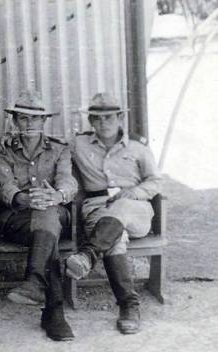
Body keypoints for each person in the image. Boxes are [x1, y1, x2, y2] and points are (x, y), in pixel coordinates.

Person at [64, 92, 163, 334]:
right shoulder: (78, 144)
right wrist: (8, 141)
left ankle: (88, 255)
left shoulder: (138, 148)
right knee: (114, 239)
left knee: (122, 206)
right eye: (97, 118)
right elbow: (51, 148)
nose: (103, 123)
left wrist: (134, 193)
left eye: (109, 117)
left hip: (135, 210)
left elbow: (156, 182)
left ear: (120, 118)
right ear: (91, 121)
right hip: (97, 209)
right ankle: (129, 306)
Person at [0, 90, 78, 341]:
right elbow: (5, 184)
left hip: (55, 211)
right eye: (23, 118)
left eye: (35, 118)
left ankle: (35, 282)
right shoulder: (3, 150)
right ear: (14, 121)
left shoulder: (59, 149)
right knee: (47, 232)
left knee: (47, 214)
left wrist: (57, 196)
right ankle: (53, 313)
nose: (29, 124)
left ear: (44, 121)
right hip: (17, 219)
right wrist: (23, 198)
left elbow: (67, 180)